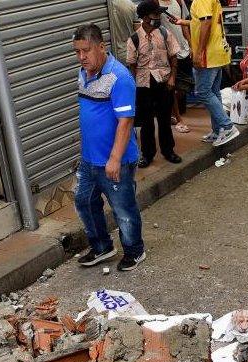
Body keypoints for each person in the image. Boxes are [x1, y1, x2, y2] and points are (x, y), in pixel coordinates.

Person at [72, 24, 147, 272]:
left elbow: (125, 122)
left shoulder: (120, 77)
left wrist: (114, 159)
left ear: (101, 47)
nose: (82, 57)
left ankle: (135, 251)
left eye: (86, 51)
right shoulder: (84, 73)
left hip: (116, 161)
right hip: (89, 159)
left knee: (123, 209)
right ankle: (103, 246)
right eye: (77, 52)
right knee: (84, 202)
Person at [127, 0, 183, 168]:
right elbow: (132, 64)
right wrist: (140, 82)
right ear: (145, 18)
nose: (158, 17)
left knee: (165, 119)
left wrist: (172, 77)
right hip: (144, 85)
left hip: (164, 83)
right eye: (155, 15)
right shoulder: (134, 39)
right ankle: (147, 154)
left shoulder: (165, 33)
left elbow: (174, 56)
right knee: (146, 123)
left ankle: (168, 151)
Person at [190, 0, 240, 147]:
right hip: (218, 52)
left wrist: (199, 52)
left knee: (203, 92)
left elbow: (206, 23)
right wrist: (185, 22)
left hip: (208, 54)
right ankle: (218, 131)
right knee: (214, 92)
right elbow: (204, 22)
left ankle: (228, 126)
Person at [160, 0, 194, 134]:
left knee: (184, 86)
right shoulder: (156, 3)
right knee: (171, 86)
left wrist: (191, 44)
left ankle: (172, 114)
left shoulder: (179, 2)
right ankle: (178, 119)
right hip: (169, 52)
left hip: (183, 49)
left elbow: (184, 24)